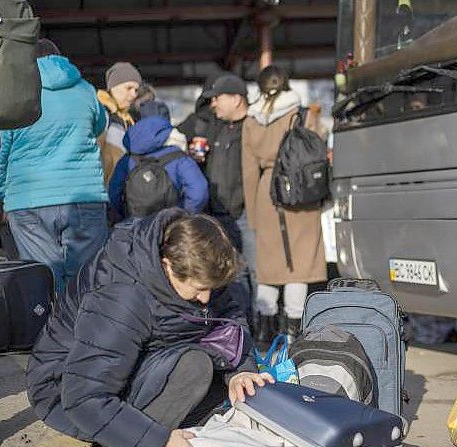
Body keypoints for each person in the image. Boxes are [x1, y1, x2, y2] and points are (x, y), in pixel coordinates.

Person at [26, 210, 272, 447]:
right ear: (167, 266)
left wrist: (241, 371)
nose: (205, 298)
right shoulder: (122, 297)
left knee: (229, 391)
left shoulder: (197, 264)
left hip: (134, 366)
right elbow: (83, 398)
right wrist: (158, 440)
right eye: (198, 289)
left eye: (210, 288)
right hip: (63, 391)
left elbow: (229, 317)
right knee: (193, 367)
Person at [0, 39, 109, 295]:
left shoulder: (18, 93)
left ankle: (51, 331)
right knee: (87, 280)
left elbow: (5, 150)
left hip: (29, 200)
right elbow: (101, 126)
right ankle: (86, 331)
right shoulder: (86, 90)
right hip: (84, 195)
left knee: (42, 279)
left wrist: (2, 191)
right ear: (61, 58)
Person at [242, 66, 328, 342]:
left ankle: (265, 331)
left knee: (269, 268)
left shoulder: (251, 119)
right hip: (302, 196)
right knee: (299, 268)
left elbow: (247, 171)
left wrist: (254, 216)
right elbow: (319, 152)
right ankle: (293, 332)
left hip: (268, 195)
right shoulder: (302, 114)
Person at [194, 73, 258, 317]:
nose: (213, 104)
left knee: (256, 271)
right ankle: (241, 324)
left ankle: (263, 322)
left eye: (218, 98)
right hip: (220, 214)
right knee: (233, 272)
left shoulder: (253, 127)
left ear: (236, 99)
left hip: (247, 213)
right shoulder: (215, 128)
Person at [108, 113, 208, 220]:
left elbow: (114, 191)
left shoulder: (127, 159)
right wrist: (184, 215)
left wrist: (124, 214)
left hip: (135, 223)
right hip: (169, 224)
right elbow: (198, 192)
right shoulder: (179, 158)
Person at [98, 62, 142, 185]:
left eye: (136, 90)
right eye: (128, 88)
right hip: (103, 190)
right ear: (113, 87)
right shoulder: (100, 113)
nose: (134, 94)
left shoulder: (128, 119)